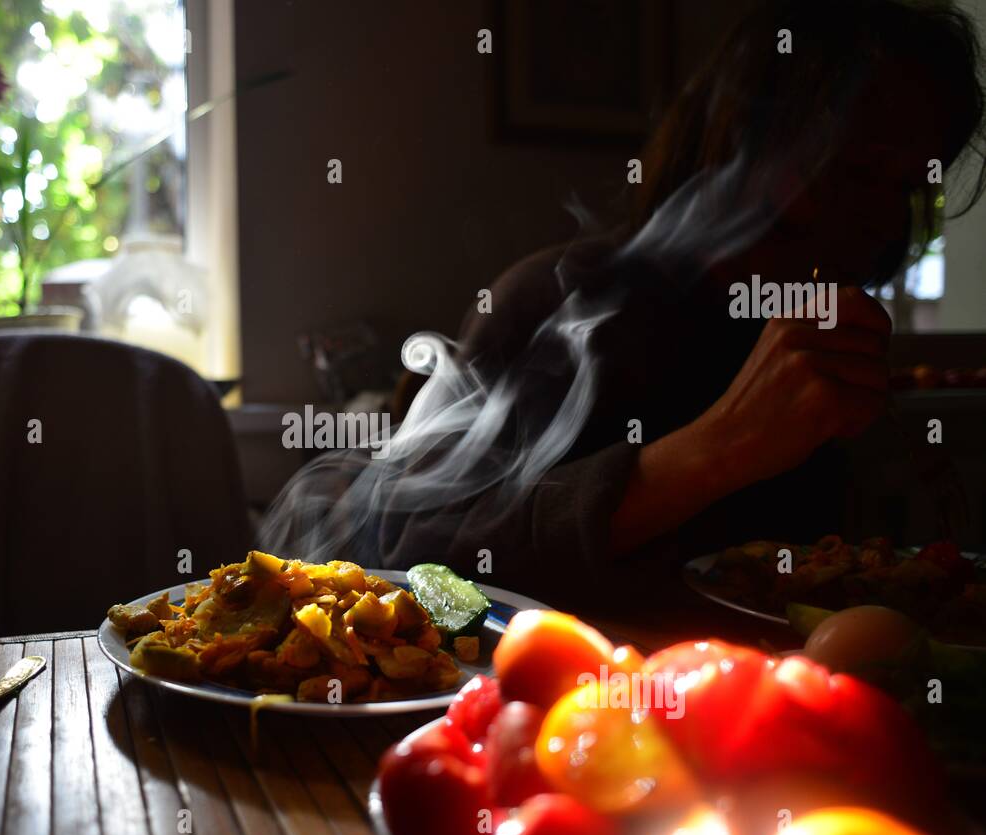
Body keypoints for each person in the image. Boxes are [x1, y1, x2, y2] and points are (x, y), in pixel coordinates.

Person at [261, 0, 984, 608]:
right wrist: (713, 451)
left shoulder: (817, 337)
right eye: (855, 169)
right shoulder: (559, 303)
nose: (880, 219)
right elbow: (414, 558)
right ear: (750, 148)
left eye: (905, 184)